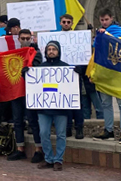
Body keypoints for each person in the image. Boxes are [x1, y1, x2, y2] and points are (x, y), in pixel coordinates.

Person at [93, 9, 121, 144]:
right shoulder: (99, 34)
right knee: (106, 103)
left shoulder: (120, 31)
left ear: (111, 19)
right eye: (102, 20)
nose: (104, 22)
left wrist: (106, 34)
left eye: (106, 19)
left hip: (119, 72)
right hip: (105, 73)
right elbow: (95, 50)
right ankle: (108, 130)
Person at [8, 29, 44, 162]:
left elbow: (39, 67)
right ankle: (20, 149)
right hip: (17, 91)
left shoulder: (36, 53)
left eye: (27, 38)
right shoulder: (13, 54)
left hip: (31, 91)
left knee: (33, 121)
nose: (25, 40)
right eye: (22, 38)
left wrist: (32, 67)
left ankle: (38, 150)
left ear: (31, 38)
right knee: (17, 121)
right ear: (18, 39)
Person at [35, 41, 70, 171]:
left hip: (61, 106)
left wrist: (77, 73)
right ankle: (48, 158)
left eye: (54, 49)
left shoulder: (66, 67)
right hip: (43, 107)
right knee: (43, 132)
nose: (51, 51)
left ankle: (58, 160)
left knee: (61, 134)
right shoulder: (40, 68)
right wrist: (26, 74)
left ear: (58, 51)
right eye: (49, 49)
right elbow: (34, 85)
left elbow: (72, 85)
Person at [59, 15, 85, 139]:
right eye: (64, 22)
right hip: (61, 74)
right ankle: (67, 127)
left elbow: (83, 55)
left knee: (77, 102)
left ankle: (79, 128)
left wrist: (81, 68)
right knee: (65, 102)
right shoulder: (56, 37)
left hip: (75, 74)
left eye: (68, 22)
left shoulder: (79, 37)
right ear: (60, 23)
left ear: (72, 23)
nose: (66, 24)